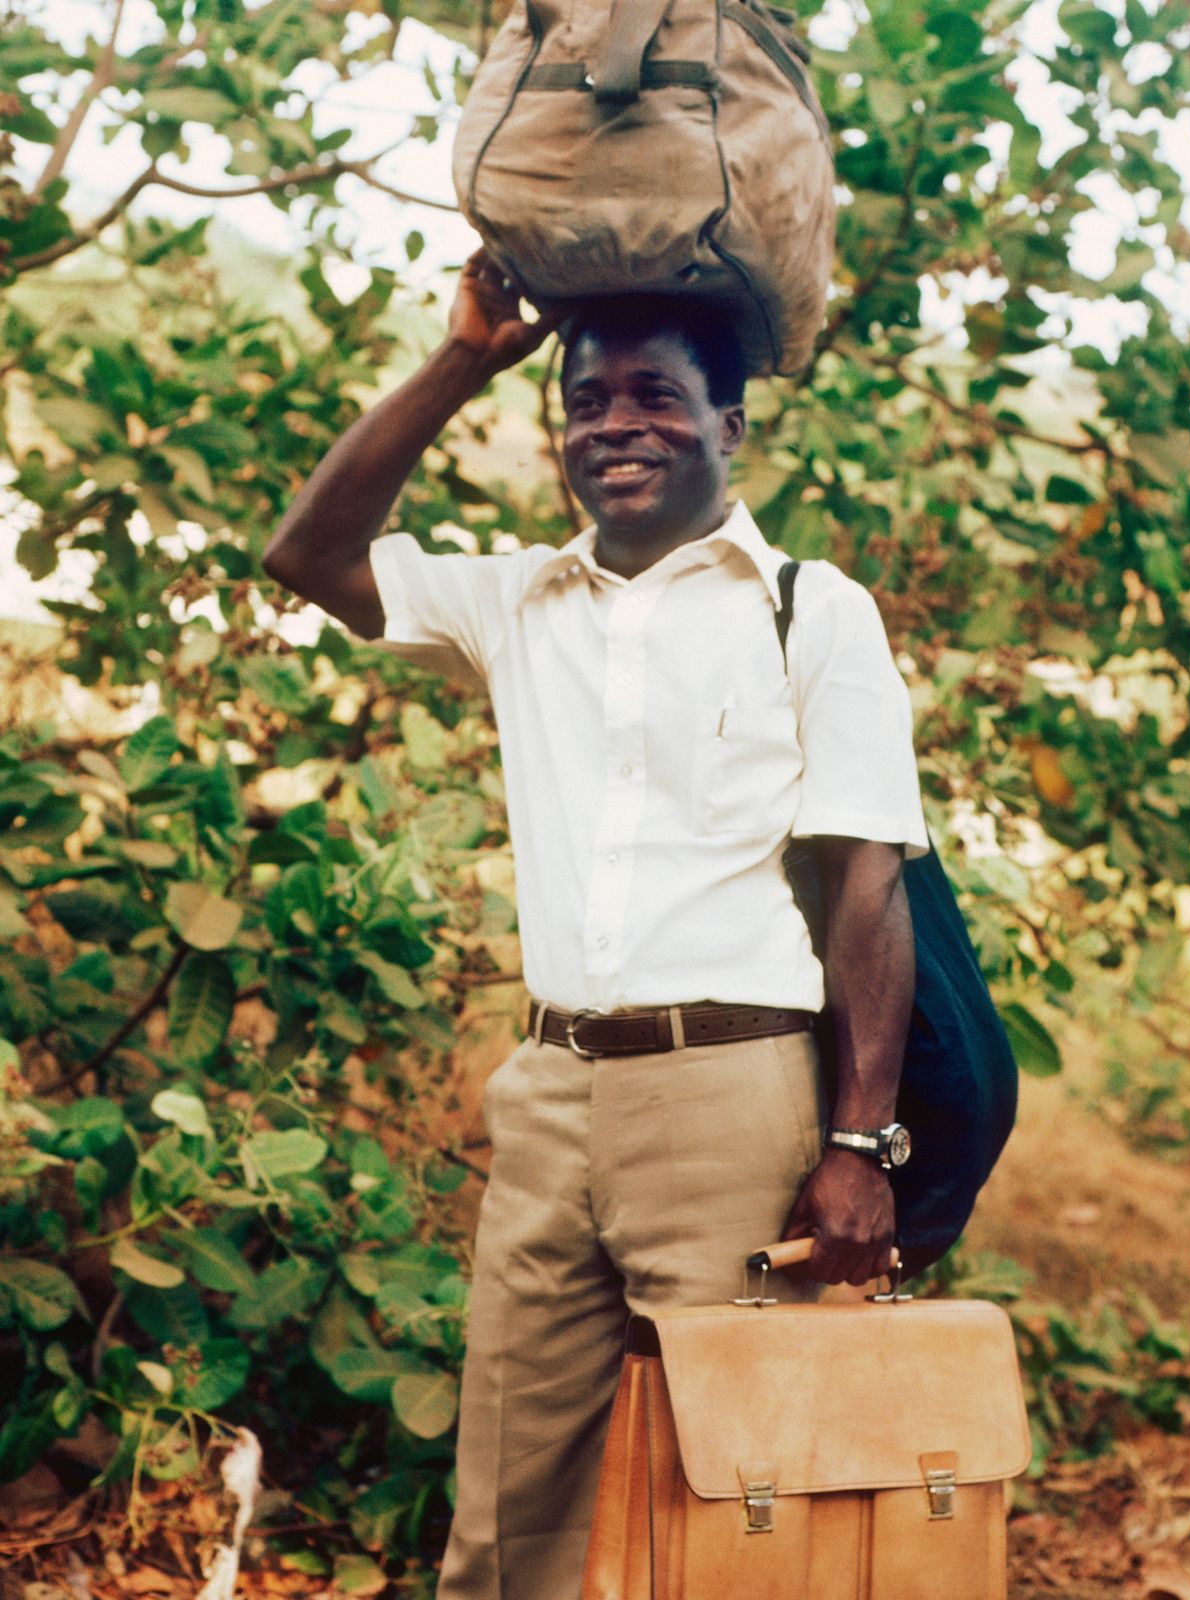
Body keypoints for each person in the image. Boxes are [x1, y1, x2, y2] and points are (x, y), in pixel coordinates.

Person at [262, 249, 928, 1600]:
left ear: (729, 423)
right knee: (509, 1517)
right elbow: (308, 555)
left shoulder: (812, 609)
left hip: (734, 1100)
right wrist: (464, 358)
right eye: (586, 402)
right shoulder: (517, 601)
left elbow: (868, 886)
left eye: (655, 396)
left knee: (739, 1504)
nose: (616, 426)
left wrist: (861, 1144)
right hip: (550, 1096)